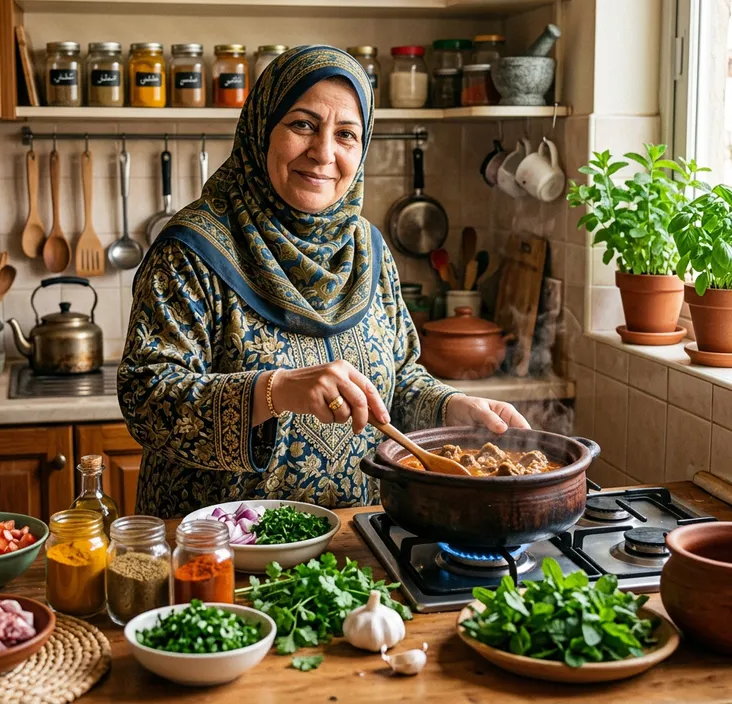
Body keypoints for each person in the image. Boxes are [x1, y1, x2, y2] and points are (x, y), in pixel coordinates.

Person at [118, 45, 529, 518]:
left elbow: (397, 379)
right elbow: (146, 396)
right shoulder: (192, 251)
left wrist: (450, 406)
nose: (324, 153)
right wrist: (275, 390)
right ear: (261, 128)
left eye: (346, 134)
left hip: (356, 537)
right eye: (303, 125)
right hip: (224, 545)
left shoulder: (368, 248)